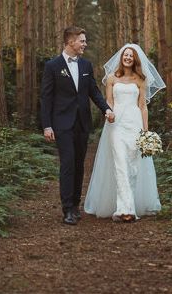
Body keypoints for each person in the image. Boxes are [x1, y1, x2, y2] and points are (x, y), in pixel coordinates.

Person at [40, 26, 115, 225]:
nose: (85, 44)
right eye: (82, 41)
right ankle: (67, 210)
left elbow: (94, 91)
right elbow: (46, 98)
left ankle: (75, 204)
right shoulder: (52, 66)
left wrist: (106, 109)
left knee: (79, 165)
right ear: (70, 42)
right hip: (62, 124)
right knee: (68, 164)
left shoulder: (86, 66)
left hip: (82, 123)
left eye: (85, 40)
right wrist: (47, 125)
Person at [84, 43, 165, 221]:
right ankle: (125, 210)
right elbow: (109, 101)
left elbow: (143, 106)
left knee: (133, 166)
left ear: (135, 59)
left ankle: (130, 204)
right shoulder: (112, 78)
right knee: (120, 164)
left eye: (131, 56)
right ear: (121, 58)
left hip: (135, 124)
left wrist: (146, 131)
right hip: (116, 125)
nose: (127, 58)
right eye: (125, 55)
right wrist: (108, 112)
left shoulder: (140, 80)